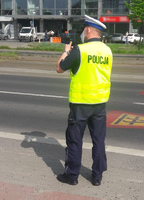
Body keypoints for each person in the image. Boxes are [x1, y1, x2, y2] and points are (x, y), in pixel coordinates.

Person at [56, 15, 113, 186]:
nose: (82, 33)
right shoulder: (107, 51)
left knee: (75, 140)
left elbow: (59, 68)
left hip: (80, 104)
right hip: (100, 104)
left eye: (83, 30)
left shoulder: (80, 50)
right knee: (98, 141)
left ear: (88, 30)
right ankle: (97, 177)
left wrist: (66, 50)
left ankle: (72, 176)